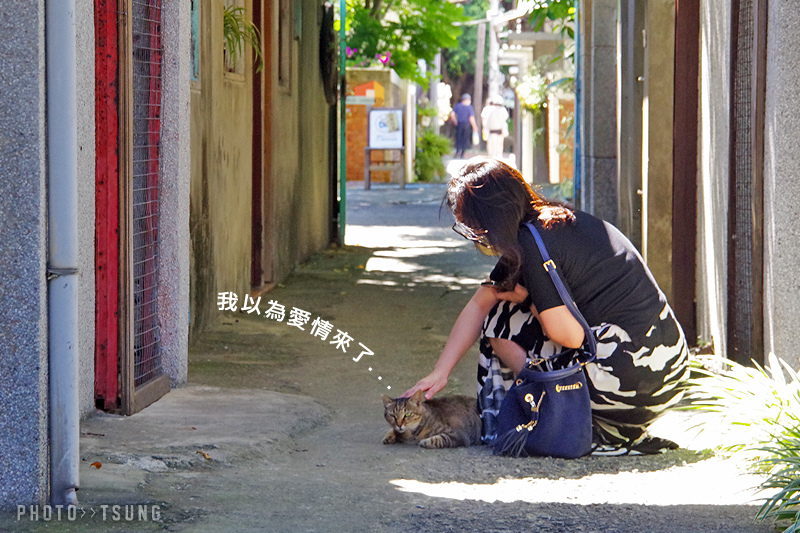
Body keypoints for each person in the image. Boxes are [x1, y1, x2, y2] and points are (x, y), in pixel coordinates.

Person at [404, 157, 690, 455]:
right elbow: (481, 301)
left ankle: (564, 417)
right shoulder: (554, 220)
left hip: (630, 380)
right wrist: (440, 372)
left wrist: (529, 300)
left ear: (491, 219)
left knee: (502, 321)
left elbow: (571, 336)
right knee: (500, 308)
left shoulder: (533, 244)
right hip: (669, 370)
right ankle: (606, 423)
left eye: (474, 228)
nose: (476, 238)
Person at [450, 93, 478, 158]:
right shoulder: (469, 107)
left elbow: (452, 114)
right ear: (467, 100)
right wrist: (474, 126)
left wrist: (455, 121)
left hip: (459, 124)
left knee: (458, 138)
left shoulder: (458, 106)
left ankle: (457, 153)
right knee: (464, 139)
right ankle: (462, 154)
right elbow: (471, 118)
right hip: (466, 125)